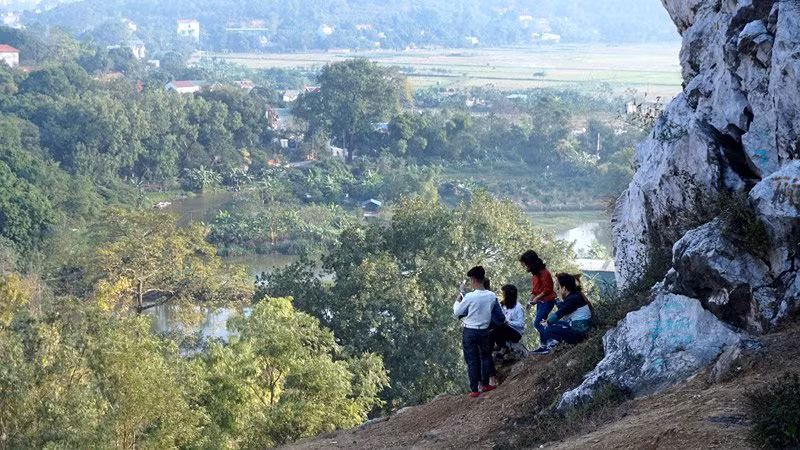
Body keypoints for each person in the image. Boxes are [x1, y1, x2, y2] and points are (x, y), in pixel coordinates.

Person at [453, 266, 498, 397]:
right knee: (485, 357)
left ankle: (474, 389)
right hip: (484, 330)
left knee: (472, 360)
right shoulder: (492, 296)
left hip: (470, 331)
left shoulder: (470, 297)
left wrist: (458, 299)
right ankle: (485, 384)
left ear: (473, 281)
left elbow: (457, 312)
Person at [531, 273, 593, 355]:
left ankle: (549, 347)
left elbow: (560, 313)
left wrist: (547, 322)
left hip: (579, 334)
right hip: (579, 329)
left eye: (558, 287)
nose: (557, 289)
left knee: (547, 329)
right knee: (557, 324)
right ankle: (551, 345)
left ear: (564, 288)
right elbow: (564, 307)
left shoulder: (573, 299)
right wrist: (556, 300)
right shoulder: (575, 295)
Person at [519, 250, 557, 345]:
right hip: (541, 302)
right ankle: (544, 344)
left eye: (526, 264)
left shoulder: (544, 273)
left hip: (547, 301)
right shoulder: (535, 274)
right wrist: (530, 301)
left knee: (538, 323)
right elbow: (535, 291)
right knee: (541, 322)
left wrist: (536, 299)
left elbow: (548, 289)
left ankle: (551, 340)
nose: (525, 267)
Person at [489, 284, 525, 355]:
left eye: (503, 294)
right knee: (492, 326)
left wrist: (508, 322)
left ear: (508, 296)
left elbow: (521, 324)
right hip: (505, 328)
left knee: (500, 328)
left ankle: (503, 347)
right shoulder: (503, 305)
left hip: (516, 332)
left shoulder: (518, 307)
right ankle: (497, 345)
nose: (502, 295)